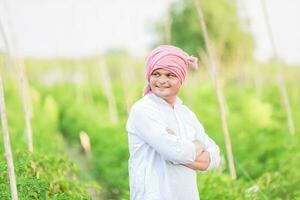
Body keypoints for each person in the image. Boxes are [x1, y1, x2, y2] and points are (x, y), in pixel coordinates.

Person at [126, 45, 220, 200]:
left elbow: (215, 157)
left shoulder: (186, 114)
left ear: (181, 79)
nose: (161, 80)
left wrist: (180, 149)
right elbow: (176, 152)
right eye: (156, 74)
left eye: (170, 75)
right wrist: (198, 145)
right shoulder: (143, 110)